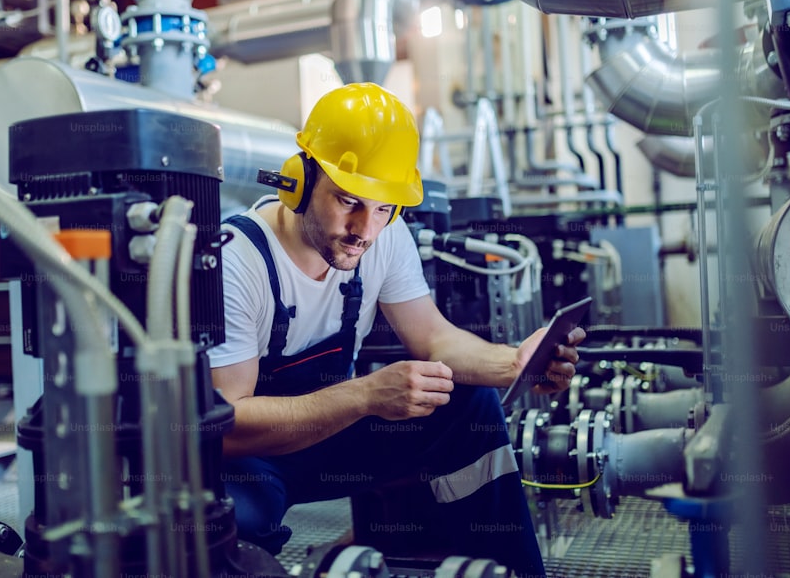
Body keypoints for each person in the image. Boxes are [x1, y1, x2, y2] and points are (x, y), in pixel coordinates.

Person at [208, 82, 584, 577]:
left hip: (331, 435)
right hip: (255, 458)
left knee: (466, 403)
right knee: (231, 528)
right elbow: (227, 427)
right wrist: (364, 396)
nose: (365, 229)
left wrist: (514, 363)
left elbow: (434, 339)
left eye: (384, 208)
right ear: (297, 182)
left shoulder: (384, 235)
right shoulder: (237, 259)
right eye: (349, 201)